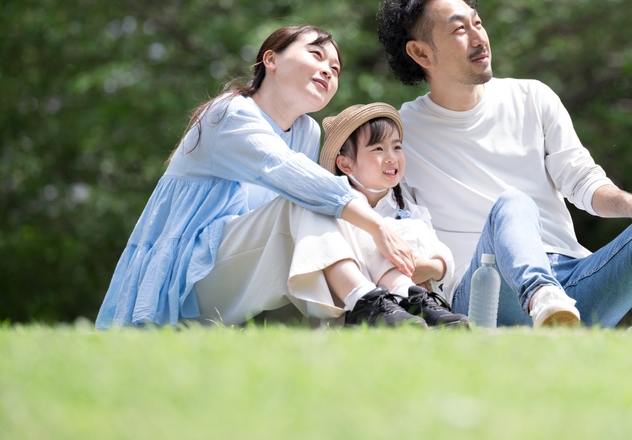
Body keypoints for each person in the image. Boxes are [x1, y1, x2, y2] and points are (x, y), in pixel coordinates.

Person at [376, 0, 632, 330]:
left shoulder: (532, 96)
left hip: (574, 289)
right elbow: (378, 208)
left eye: (477, 23)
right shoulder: (401, 133)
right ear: (422, 54)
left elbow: (581, 179)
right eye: (459, 30)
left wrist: (631, 204)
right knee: (513, 203)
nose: (479, 38)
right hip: (485, 292)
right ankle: (540, 296)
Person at [96, 25, 441, 329]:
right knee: (305, 199)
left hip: (243, 270)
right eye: (316, 55)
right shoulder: (230, 113)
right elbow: (291, 175)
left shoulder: (306, 130)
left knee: (312, 204)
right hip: (186, 276)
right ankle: (368, 303)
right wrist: (376, 226)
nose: (328, 71)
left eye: (335, 69)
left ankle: (399, 297)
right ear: (270, 60)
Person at [318, 102, 469, 327]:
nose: (391, 157)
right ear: (345, 164)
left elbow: (442, 254)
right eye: (378, 149)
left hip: (423, 293)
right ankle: (400, 304)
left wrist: (430, 268)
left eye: (396, 147)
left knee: (414, 228)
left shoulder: (410, 209)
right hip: (368, 302)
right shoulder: (339, 210)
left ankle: (420, 304)